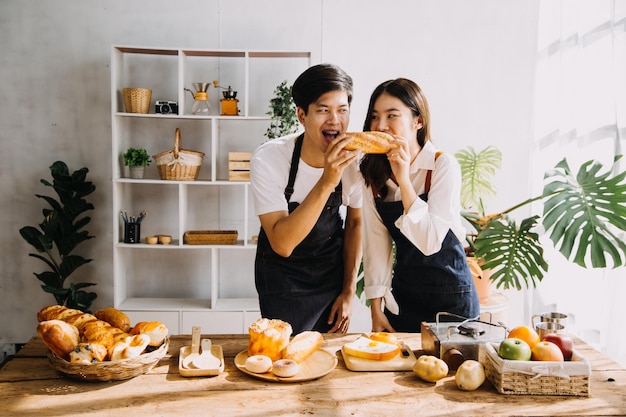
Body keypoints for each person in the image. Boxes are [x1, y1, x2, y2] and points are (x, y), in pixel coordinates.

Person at [359, 78, 479, 333]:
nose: (381, 126)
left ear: (418, 121)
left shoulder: (442, 166)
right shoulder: (372, 176)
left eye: (392, 116)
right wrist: (375, 310)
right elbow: (375, 245)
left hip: (453, 298)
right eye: (375, 117)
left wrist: (404, 180)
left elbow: (430, 242)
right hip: (406, 298)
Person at [250, 64, 363, 334]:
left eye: (342, 110)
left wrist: (348, 292)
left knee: (328, 360)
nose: (335, 120)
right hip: (283, 280)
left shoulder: (355, 161)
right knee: (286, 356)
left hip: (331, 275)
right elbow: (282, 243)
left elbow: (356, 224)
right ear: (302, 115)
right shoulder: (269, 159)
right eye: (323, 110)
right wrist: (327, 181)